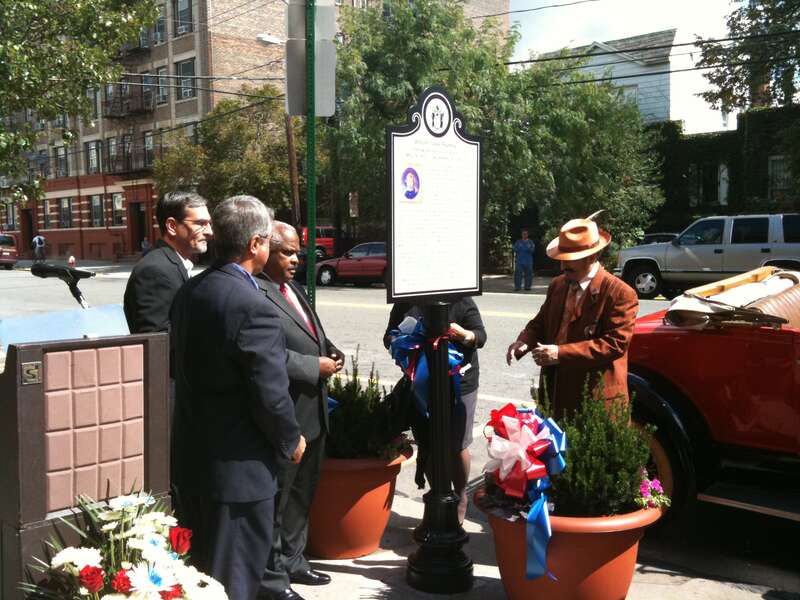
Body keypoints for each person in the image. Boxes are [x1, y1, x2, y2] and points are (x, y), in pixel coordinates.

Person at [170, 196, 306, 600]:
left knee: (203, 575)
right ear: (255, 245)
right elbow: (270, 391)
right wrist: (290, 439)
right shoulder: (252, 305)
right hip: (239, 472)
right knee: (235, 581)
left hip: (195, 461)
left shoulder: (192, 290)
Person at [256, 222, 344, 600]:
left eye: (297, 252)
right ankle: (274, 573)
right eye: (287, 252)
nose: (296, 259)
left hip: (313, 411)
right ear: (264, 250)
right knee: (280, 495)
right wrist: (313, 367)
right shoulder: (255, 292)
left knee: (303, 492)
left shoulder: (290, 287)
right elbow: (266, 354)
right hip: (287, 412)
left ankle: (295, 560)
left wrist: (329, 349)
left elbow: (308, 333)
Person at [506, 213, 638, 418]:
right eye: (561, 259)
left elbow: (615, 344)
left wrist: (560, 353)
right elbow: (541, 322)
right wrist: (524, 341)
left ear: (592, 256)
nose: (562, 266)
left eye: (570, 260)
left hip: (594, 402)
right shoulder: (558, 284)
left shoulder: (620, 293)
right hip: (556, 396)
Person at [384, 298, 486, 523]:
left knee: (456, 443)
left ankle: (459, 497)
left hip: (459, 382)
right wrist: (400, 343)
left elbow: (480, 336)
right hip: (421, 383)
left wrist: (464, 335)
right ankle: (438, 494)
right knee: (427, 442)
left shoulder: (460, 300)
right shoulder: (405, 300)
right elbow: (389, 335)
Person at [123, 192, 212, 334]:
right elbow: (157, 342)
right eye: (200, 223)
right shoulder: (155, 271)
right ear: (172, 226)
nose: (209, 231)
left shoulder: (173, 264)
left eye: (209, 223)